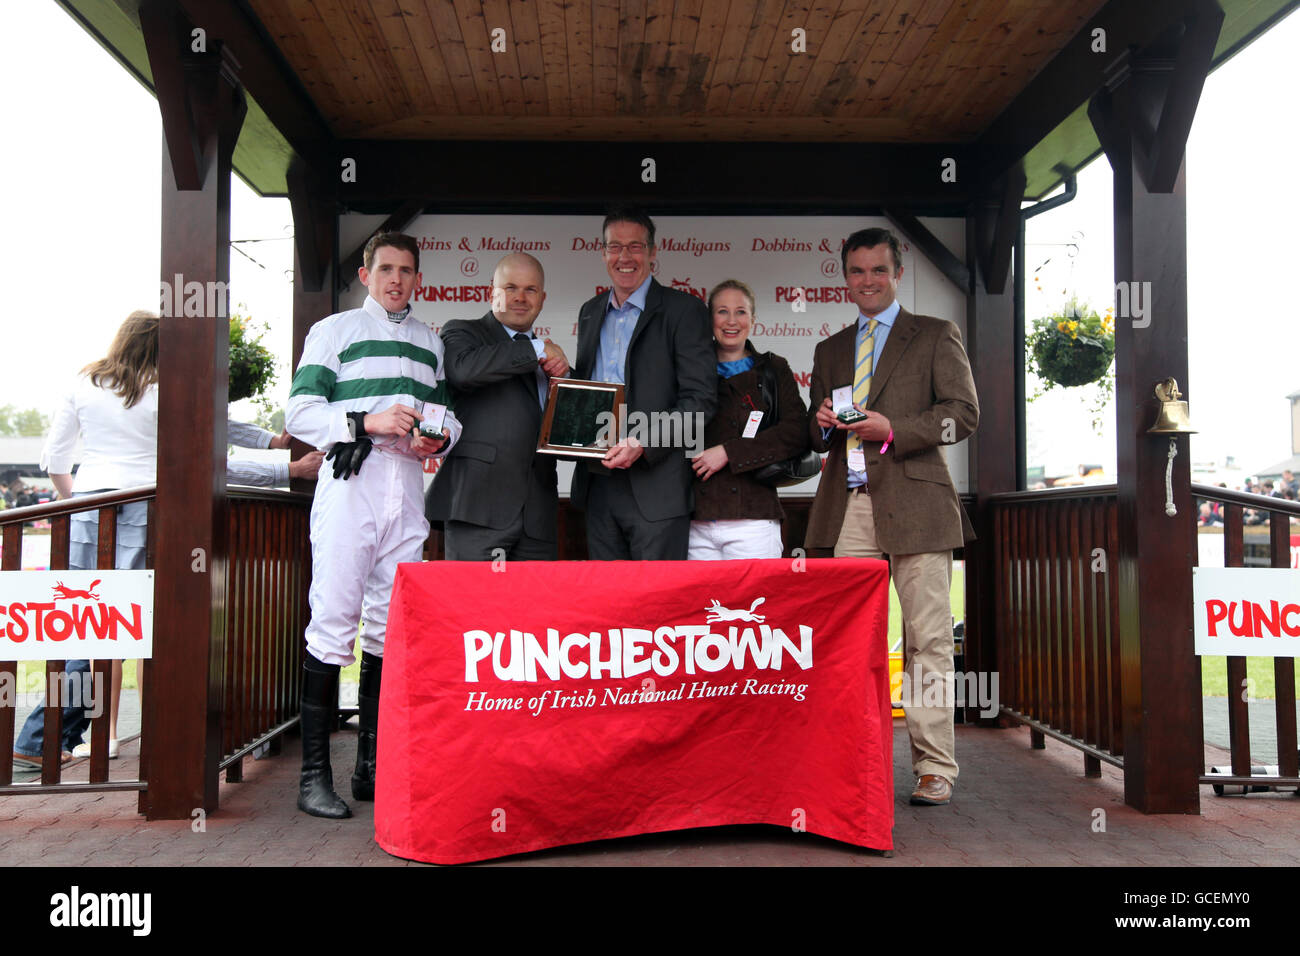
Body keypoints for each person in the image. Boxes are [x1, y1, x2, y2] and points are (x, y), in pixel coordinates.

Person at [285, 231, 462, 819]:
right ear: (366, 274)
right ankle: (314, 779)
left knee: (391, 625)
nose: (396, 280)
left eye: (406, 271)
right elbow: (301, 414)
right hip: (351, 481)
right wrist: (368, 420)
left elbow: (444, 417)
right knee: (333, 618)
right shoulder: (333, 331)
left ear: (417, 279)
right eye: (385, 269)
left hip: (407, 485)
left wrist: (440, 434)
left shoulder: (429, 341)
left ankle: (371, 768)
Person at [806, 227, 979, 807]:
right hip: (848, 508)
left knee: (927, 640)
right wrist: (822, 421)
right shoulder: (830, 348)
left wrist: (895, 431)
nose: (867, 281)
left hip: (920, 506)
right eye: (857, 271)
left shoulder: (934, 334)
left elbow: (963, 415)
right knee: (853, 644)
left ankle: (935, 767)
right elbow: (814, 430)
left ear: (897, 273)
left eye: (878, 270)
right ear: (845, 277)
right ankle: (856, 756)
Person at [15, 311, 160, 768]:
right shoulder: (163, 389)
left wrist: (72, 500)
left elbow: (54, 457)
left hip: (88, 505)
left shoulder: (85, 383)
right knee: (122, 621)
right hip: (144, 502)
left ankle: (52, 735)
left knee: (87, 618)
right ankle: (44, 737)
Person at [571, 207, 716, 560]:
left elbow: (700, 402)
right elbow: (589, 393)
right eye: (615, 247)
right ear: (603, 252)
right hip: (598, 483)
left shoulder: (685, 310)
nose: (625, 257)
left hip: (658, 487)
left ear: (652, 253)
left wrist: (643, 441)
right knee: (608, 606)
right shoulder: (590, 312)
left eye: (635, 247)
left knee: (658, 608)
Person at [427, 253, 568, 559]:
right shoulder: (462, 333)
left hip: (538, 518)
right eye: (510, 287)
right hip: (478, 511)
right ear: (492, 291)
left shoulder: (554, 360)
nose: (520, 297)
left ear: (543, 298)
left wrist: (566, 386)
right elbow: (463, 371)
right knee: (475, 606)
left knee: (535, 608)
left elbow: (566, 434)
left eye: (530, 290)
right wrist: (536, 348)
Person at [688, 279, 809, 559]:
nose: (731, 321)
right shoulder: (689, 369)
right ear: (710, 318)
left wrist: (729, 452)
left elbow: (796, 431)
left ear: (753, 319)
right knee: (702, 605)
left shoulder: (773, 368)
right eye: (722, 311)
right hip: (696, 519)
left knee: (757, 603)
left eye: (740, 311)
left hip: (754, 517)